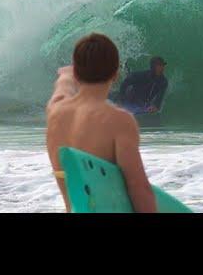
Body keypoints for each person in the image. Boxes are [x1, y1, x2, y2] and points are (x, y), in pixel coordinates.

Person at [45, 33, 157, 213]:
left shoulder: (55, 111)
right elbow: (138, 187)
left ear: (76, 73)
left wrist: (65, 75)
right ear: (115, 74)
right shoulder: (119, 120)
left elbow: (62, 90)